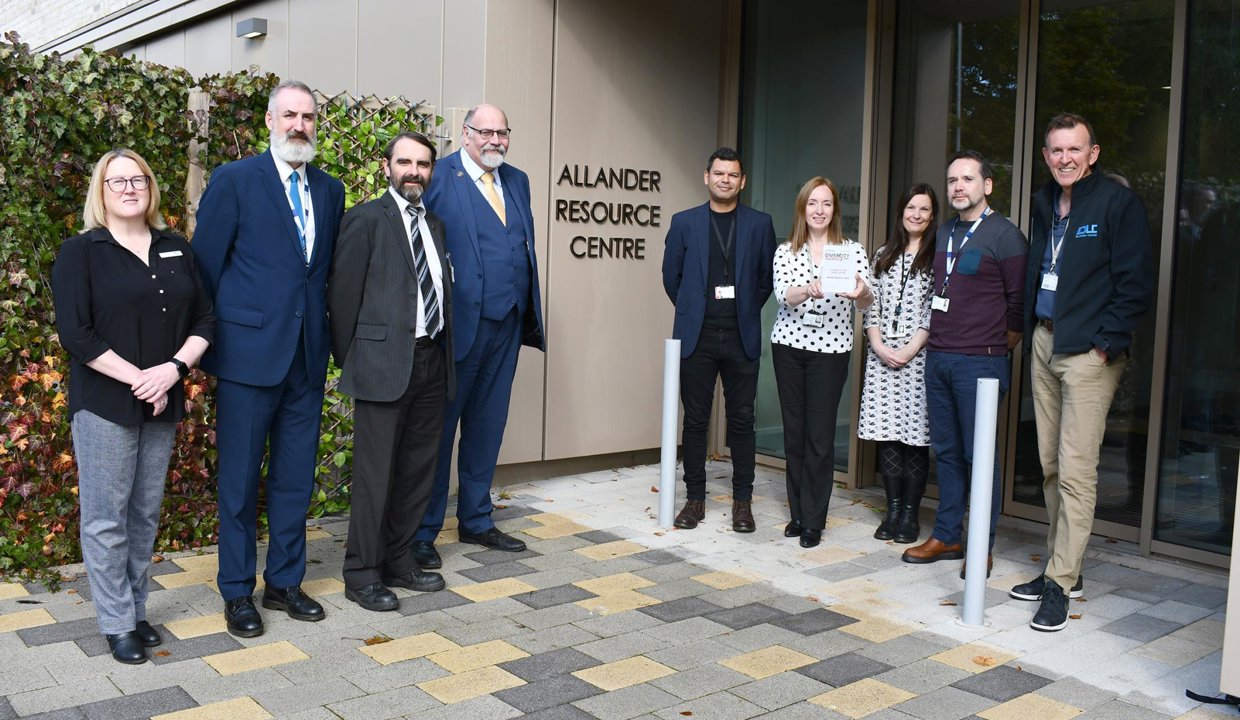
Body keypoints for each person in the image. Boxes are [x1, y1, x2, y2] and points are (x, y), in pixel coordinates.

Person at [192, 80, 345, 637]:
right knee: (238, 482)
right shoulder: (235, 181)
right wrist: (205, 344)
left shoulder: (330, 190)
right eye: (289, 115)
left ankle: (284, 583)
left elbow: (320, 274)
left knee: (294, 480)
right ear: (269, 121)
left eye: (307, 116)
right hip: (247, 358)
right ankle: (237, 591)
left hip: (306, 359)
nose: (299, 124)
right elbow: (204, 270)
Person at [52, 149, 214, 664]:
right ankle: (116, 621)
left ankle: (137, 610)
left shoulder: (175, 247)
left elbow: (206, 320)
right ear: (100, 191)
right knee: (106, 518)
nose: (128, 188)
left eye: (138, 179)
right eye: (116, 181)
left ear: (150, 187)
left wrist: (173, 371)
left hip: (163, 394)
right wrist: (141, 379)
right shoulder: (81, 252)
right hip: (105, 402)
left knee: (144, 513)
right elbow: (76, 334)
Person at [1013, 113, 1153, 632]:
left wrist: (1104, 345)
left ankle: (1061, 583)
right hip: (1047, 340)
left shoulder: (1118, 204)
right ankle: (1060, 567)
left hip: (1088, 353)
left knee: (1075, 469)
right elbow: (1038, 269)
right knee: (1049, 463)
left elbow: (1135, 282)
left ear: (1092, 153)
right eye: (1055, 151)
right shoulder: (1045, 202)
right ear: (1046, 156)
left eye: (1074, 150)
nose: (1064, 159)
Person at [412, 103, 545, 568]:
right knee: (440, 429)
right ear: (464, 134)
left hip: (507, 323)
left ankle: (476, 519)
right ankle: (423, 531)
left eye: (501, 132)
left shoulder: (518, 180)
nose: (494, 140)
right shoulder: (440, 176)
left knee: (488, 424)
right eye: (484, 131)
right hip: (456, 328)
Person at [328, 132, 453, 611]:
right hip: (382, 364)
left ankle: (399, 559)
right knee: (375, 475)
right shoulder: (364, 220)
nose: (413, 171)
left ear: (431, 171)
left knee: (417, 469)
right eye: (405, 162)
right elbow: (342, 300)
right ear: (386, 167)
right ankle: (361, 573)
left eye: (422, 164)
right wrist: (355, 358)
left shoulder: (435, 225)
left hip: (431, 360)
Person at [901, 150, 1026, 575]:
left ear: (986, 185)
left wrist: (990, 347)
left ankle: (981, 546)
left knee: (980, 456)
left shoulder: (1006, 237)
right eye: (952, 180)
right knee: (948, 453)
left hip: (981, 364)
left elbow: (1017, 309)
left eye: (967, 179)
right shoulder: (946, 232)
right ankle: (947, 534)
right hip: (939, 358)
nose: (958, 187)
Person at [662, 147, 777, 533]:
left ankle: (743, 503)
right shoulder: (684, 222)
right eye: (719, 173)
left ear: (742, 181)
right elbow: (671, 277)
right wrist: (695, 309)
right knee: (695, 421)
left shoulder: (760, 224)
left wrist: (743, 309)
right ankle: (695, 500)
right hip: (698, 336)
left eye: (733, 175)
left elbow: (765, 280)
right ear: (706, 177)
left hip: (741, 336)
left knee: (742, 421)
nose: (725, 180)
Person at [771, 177, 874, 548]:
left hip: (830, 351)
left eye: (826, 204)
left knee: (820, 436)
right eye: (812, 203)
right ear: (803, 208)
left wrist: (862, 291)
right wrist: (808, 289)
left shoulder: (851, 251)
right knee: (795, 434)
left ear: (834, 210)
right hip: (789, 347)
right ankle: (797, 513)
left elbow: (865, 303)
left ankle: (815, 519)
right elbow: (784, 295)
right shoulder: (786, 250)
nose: (819, 210)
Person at [858, 184, 938, 544]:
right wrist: (877, 345)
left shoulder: (938, 257)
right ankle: (890, 511)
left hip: (918, 360)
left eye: (924, 209)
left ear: (933, 215)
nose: (916, 215)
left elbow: (933, 310)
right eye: (911, 208)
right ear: (901, 212)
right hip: (881, 359)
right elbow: (868, 302)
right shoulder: (882, 254)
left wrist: (908, 350)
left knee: (914, 439)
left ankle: (910, 515)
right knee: (887, 435)